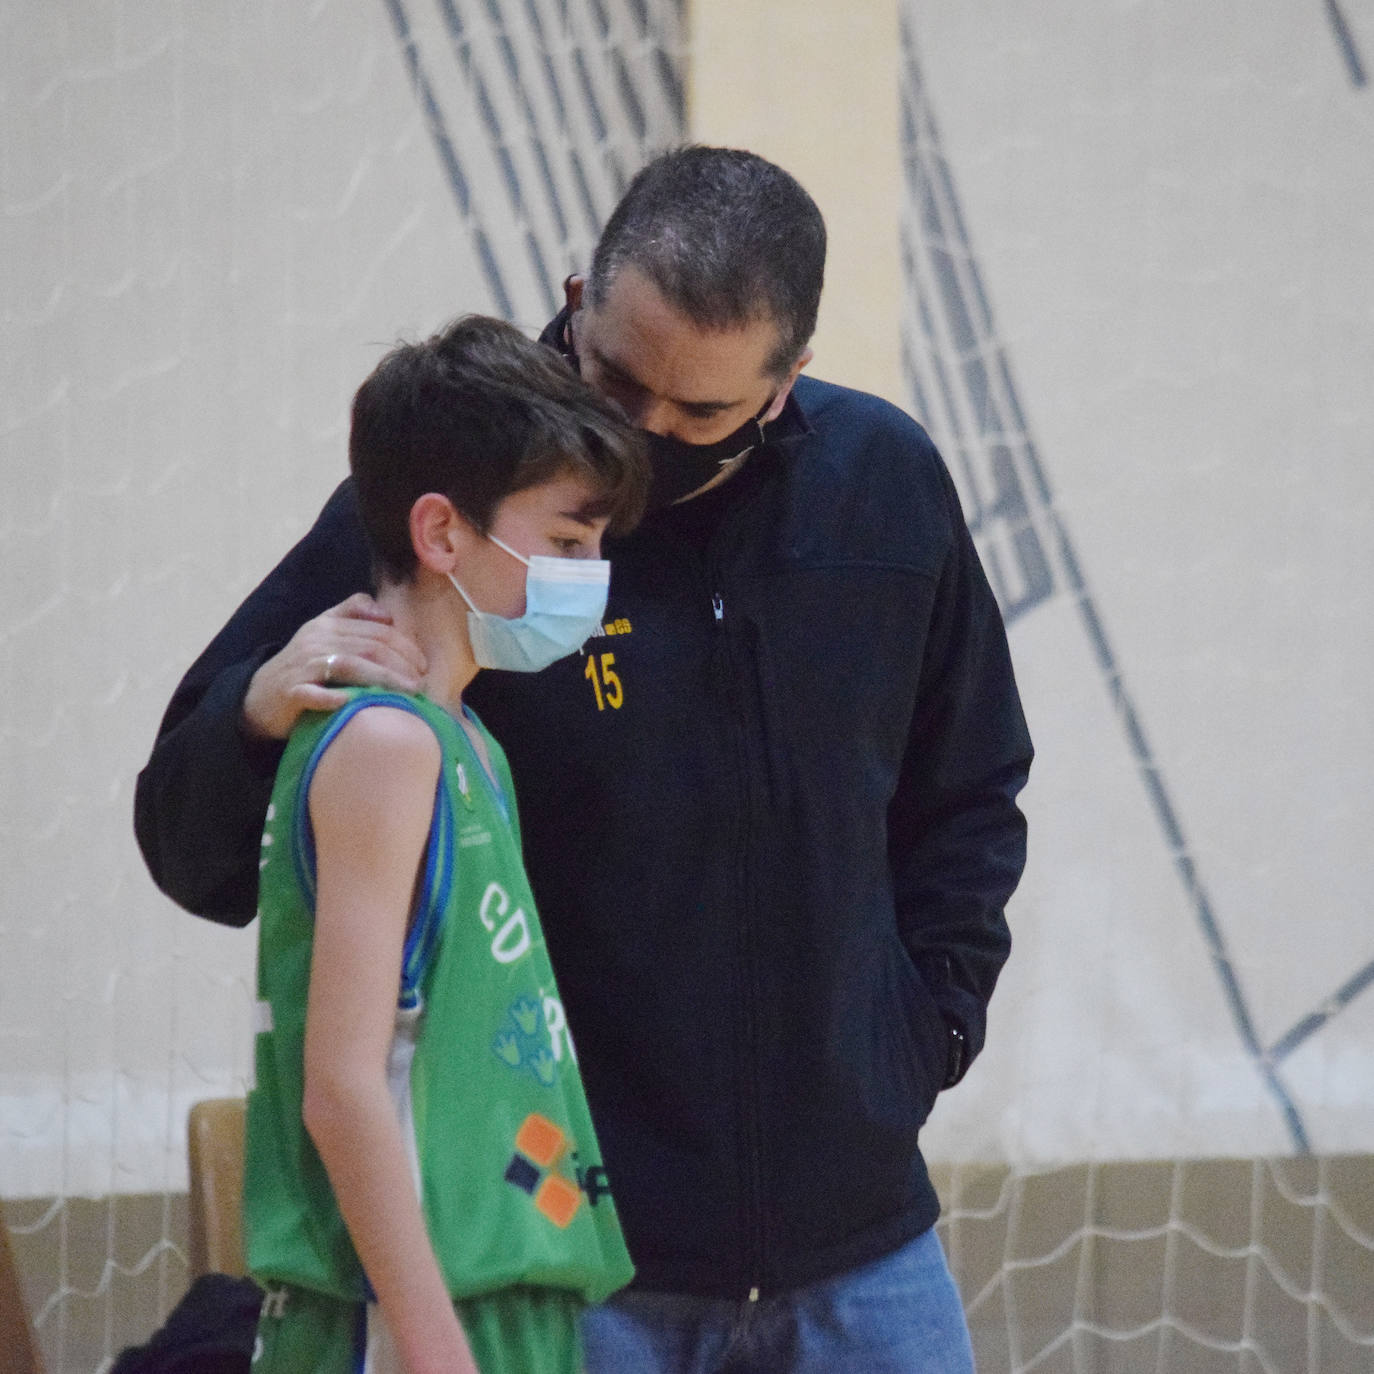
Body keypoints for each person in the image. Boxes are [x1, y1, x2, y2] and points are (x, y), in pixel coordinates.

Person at [137, 147, 1033, 1373]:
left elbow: (971, 789)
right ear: (573, 295)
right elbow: (195, 852)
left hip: (862, 1243)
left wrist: (922, 1035)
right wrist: (250, 711)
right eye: (615, 382)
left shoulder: (886, 485)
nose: (648, 440)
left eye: (701, 413)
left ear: (789, 382)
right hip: (577, 1258)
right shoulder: (458, 501)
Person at [241, 315, 645, 1374]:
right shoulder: (383, 743)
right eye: (566, 542)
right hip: (409, 1313)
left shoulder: (467, 741)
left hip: (498, 1282)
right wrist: (430, 1343)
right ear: (441, 533)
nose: (589, 577)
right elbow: (342, 1082)